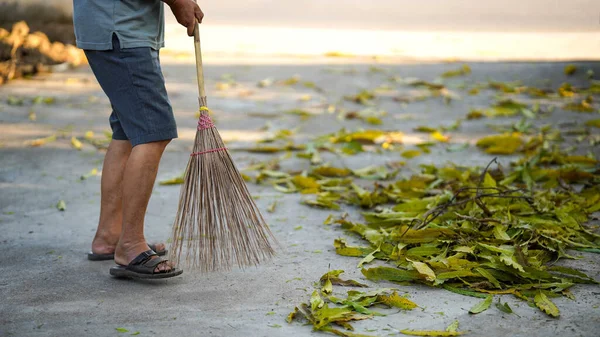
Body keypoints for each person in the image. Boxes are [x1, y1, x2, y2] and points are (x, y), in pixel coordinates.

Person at [73, 0, 204, 279]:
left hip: (114, 28)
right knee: (154, 131)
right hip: (120, 31)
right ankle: (130, 246)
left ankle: (110, 236)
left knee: (129, 133)